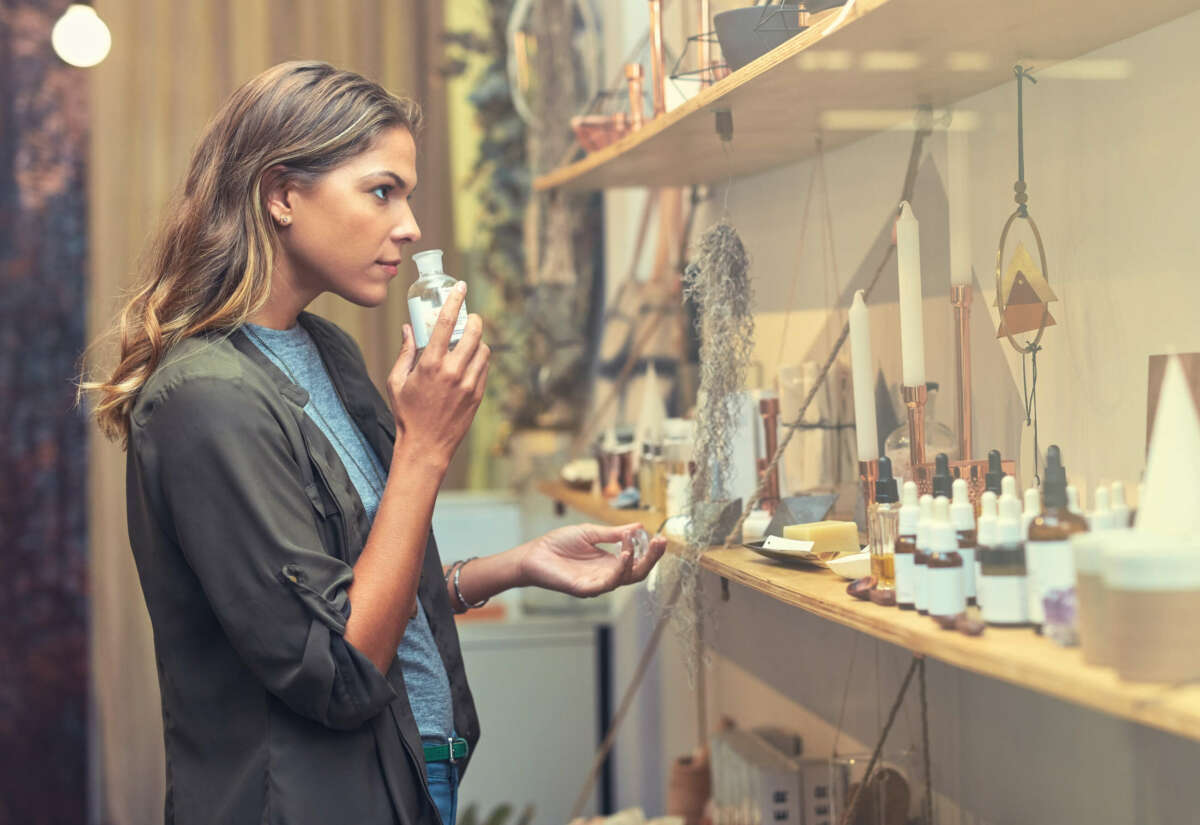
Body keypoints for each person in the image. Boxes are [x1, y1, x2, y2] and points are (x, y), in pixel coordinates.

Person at [79, 61, 666, 825]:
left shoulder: (325, 351)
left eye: (409, 194)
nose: (411, 225)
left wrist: (515, 566)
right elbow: (341, 667)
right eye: (381, 190)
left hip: (409, 776)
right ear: (282, 194)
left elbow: (359, 592)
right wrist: (424, 445)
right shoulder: (206, 399)